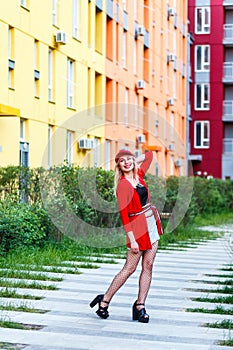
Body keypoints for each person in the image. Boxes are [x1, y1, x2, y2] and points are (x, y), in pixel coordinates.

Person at [90, 149, 163, 323]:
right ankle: (104, 300)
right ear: (118, 166)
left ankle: (140, 306)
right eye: (121, 161)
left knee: (149, 266)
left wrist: (132, 160)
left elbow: (149, 155)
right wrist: (132, 239)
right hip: (137, 229)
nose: (126, 163)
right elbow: (124, 216)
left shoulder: (139, 175)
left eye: (128, 159)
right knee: (129, 268)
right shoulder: (123, 185)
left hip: (151, 223)